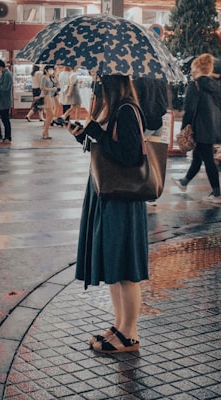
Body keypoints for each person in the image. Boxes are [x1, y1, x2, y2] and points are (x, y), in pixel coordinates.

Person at [68, 74, 147, 354]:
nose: (96, 86)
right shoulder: (114, 110)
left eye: (100, 81)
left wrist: (96, 131)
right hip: (108, 194)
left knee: (126, 268)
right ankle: (119, 325)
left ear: (111, 85)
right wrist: (83, 136)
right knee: (115, 265)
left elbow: (131, 156)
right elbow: (106, 150)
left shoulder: (126, 110)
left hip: (122, 198)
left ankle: (130, 333)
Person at [174, 53, 221, 205]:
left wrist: (184, 129)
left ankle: (217, 194)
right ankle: (184, 182)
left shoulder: (195, 85)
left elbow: (189, 110)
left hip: (200, 128)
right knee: (198, 156)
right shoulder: (218, 87)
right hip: (213, 128)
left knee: (208, 159)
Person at [39, 65, 60, 139]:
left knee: (49, 115)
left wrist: (55, 76)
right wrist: (51, 89)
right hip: (46, 96)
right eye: (50, 69)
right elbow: (42, 87)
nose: (52, 70)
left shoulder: (51, 78)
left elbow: (57, 84)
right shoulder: (44, 77)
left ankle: (45, 132)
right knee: (51, 114)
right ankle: (45, 131)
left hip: (50, 97)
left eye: (52, 69)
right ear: (46, 70)